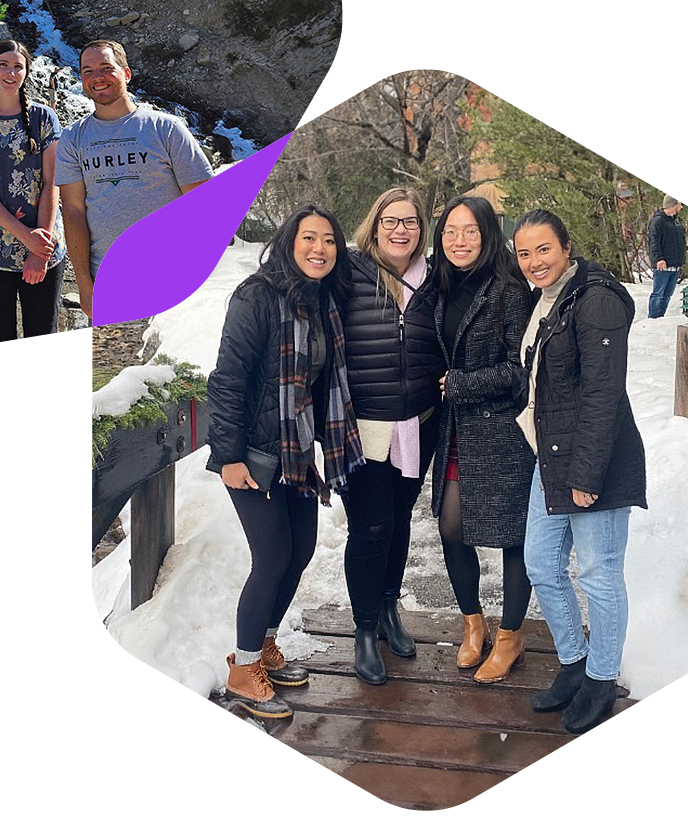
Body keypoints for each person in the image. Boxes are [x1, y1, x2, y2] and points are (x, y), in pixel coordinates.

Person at [206, 206, 362, 720]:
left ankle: (264, 644)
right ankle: (243, 667)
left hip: (296, 452)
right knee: (272, 558)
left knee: (300, 551)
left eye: (329, 240)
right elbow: (227, 378)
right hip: (255, 454)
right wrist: (228, 456)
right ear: (289, 242)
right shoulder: (256, 296)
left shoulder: (322, 302)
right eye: (309, 238)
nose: (320, 248)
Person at [514, 209, 647, 734]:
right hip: (552, 455)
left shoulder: (596, 301)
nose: (534, 261)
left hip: (597, 463)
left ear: (567, 247)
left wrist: (587, 475)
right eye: (524, 253)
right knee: (541, 563)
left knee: (599, 573)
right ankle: (574, 662)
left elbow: (602, 394)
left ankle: (602, 678)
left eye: (543, 249)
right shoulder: (551, 296)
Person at [338, 186, 444, 684]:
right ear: (375, 225)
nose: (401, 230)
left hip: (419, 422)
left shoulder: (435, 278)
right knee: (370, 527)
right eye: (391, 221)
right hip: (364, 428)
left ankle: (387, 609)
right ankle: (363, 628)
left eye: (410, 222)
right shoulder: (348, 273)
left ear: (422, 230)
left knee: (399, 520)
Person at [429, 195, 534, 683]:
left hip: (501, 431)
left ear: (489, 234)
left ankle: (510, 636)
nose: (459, 241)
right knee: (451, 526)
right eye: (450, 231)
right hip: (457, 429)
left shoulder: (509, 289)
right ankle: (473, 622)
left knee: (513, 536)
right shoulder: (442, 283)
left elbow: (520, 370)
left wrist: (462, 384)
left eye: (470, 231)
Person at [54, 39, 213, 322]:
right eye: (88, 71)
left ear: (126, 74)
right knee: (115, 353)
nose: (97, 77)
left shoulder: (165, 128)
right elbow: (73, 211)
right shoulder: (72, 138)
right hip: (108, 282)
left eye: (106, 67)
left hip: (171, 280)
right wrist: (84, 285)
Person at [0, 39, 65, 382]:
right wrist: (25, 237)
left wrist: (39, 250)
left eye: (18, 66)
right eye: (3, 64)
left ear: (26, 72)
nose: (10, 72)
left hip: (44, 250)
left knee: (43, 356)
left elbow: (53, 182)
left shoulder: (44, 119)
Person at [646, 191, 686, 318]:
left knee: (667, 295)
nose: (681, 207)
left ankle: (660, 318)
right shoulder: (658, 221)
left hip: (675, 265)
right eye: (679, 204)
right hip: (662, 266)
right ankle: (653, 319)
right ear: (673, 204)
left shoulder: (676, 222)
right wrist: (659, 259)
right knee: (658, 294)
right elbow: (654, 242)